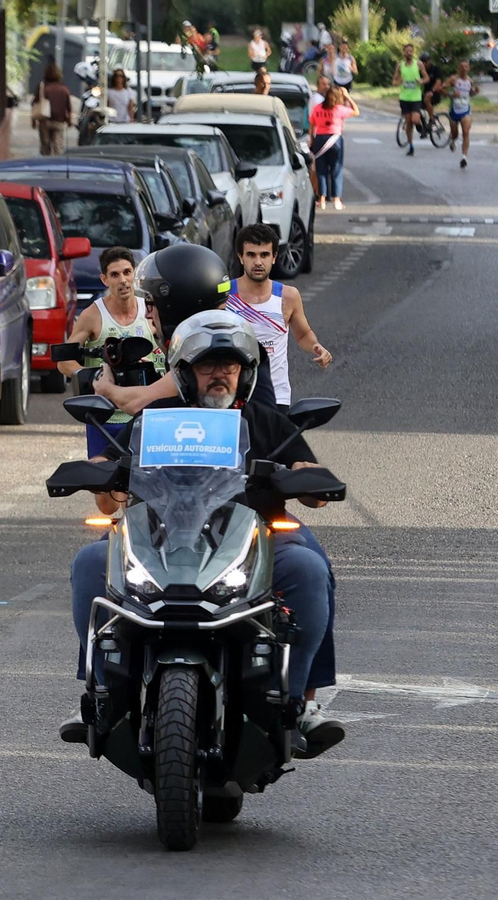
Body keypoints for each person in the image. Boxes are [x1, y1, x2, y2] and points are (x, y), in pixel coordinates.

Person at [62, 310, 345, 757]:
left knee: (310, 568)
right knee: (91, 562)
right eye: (207, 366)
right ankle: (99, 694)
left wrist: (308, 475)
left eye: (229, 366)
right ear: (186, 373)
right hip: (160, 538)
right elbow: (112, 482)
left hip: (257, 538)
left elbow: (313, 490)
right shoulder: (157, 418)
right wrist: (97, 473)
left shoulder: (266, 420)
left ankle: (299, 702)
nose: (219, 375)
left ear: (245, 373)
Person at [57, 248, 166, 458]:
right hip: (106, 418)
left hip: (146, 416)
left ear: (134, 273)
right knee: (104, 486)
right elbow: (63, 362)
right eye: (115, 275)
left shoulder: (151, 311)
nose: (123, 280)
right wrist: (96, 377)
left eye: (127, 272)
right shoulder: (92, 315)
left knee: (142, 486)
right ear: (104, 279)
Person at [225, 224, 332, 411]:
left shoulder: (288, 296)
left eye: (264, 255)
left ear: (274, 257)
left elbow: (303, 334)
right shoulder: (223, 296)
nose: (258, 262)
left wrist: (316, 347)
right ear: (240, 257)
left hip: (275, 396)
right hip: (234, 394)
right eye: (251, 255)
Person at [310, 88, 360, 211]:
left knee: (321, 170)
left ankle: (321, 198)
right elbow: (356, 111)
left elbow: (312, 124)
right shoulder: (339, 109)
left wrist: (312, 139)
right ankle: (336, 198)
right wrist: (347, 96)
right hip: (335, 140)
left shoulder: (318, 108)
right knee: (336, 170)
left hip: (320, 140)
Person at [394, 43, 428, 156]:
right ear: (403, 52)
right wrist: (399, 81)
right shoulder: (400, 65)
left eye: (411, 51)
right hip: (404, 98)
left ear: (413, 52)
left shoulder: (418, 64)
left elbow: (426, 78)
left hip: (416, 97)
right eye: (407, 51)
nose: (409, 53)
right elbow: (394, 81)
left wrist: (422, 81)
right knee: (408, 123)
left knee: (415, 120)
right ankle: (411, 146)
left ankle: (421, 126)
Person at [33, 63, 75, 156]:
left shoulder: (42, 88)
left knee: (45, 146)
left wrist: (33, 120)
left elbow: (35, 103)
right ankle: (57, 165)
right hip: (59, 121)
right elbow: (68, 107)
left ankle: (46, 164)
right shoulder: (64, 89)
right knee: (58, 147)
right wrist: (69, 120)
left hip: (44, 120)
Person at [447, 59, 480, 169]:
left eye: (466, 67)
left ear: (468, 68)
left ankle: (464, 157)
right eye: (462, 67)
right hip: (454, 110)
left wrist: (475, 92)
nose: (464, 69)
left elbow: (470, 94)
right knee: (455, 133)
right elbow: (440, 89)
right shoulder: (453, 79)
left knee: (466, 132)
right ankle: (452, 140)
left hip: (465, 110)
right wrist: (451, 94)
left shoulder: (470, 81)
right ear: (458, 68)